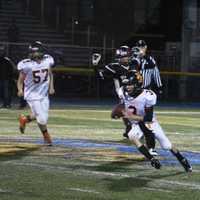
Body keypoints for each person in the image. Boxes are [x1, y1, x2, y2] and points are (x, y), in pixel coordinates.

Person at [119, 72, 192, 172]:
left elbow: (148, 118)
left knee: (166, 146)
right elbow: (123, 105)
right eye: (126, 84)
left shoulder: (148, 95)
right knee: (132, 135)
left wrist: (131, 116)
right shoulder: (122, 92)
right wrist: (123, 114)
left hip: (150, 123)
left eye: (130, 84)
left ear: (137, 84)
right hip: (137, 123)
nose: (127, 87)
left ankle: (182, 159)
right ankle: (152, 159)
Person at [93, 46, 156, 156]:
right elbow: (100, 76)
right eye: (123, 56)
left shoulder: (134, 63)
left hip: (139, 95)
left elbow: (150, 65)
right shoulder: (114, 67)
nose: (125, 58)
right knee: (130, 117)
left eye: (126, 56)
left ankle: (150, 144)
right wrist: (95, 66)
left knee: (146, 119)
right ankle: (132, 131)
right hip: (125, 97)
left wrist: (142, 54)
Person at [17, 41, 55, 146]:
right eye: (34, 53)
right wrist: (20, 89)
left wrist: (51, 87)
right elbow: (20, 80)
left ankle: (24, 119)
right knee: (42, 119)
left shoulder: (47, 60)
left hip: (43, 94)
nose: (36, 55)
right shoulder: (26, 64)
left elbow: (50, 74)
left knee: (43, 117)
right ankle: (47, 138)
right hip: (32, 94)